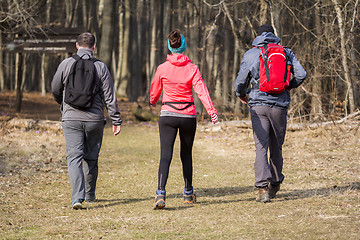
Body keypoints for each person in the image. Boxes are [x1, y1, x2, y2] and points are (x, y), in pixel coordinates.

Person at [234, 24, 306, 202]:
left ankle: (262, 189)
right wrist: (287, 85)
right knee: (277, 145)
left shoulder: (251, 53)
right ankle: (275, 183)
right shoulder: (286, 52)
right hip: (279, 105)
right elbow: (302, 74)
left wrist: (242, 95)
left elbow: (240, 82)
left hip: (258, 104)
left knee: (261, 146)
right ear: (274, 36)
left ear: (257, 36)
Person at [51, 32, 122, 209]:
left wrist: (63, 104)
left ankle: (77, 198)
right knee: (91, 157)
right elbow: (109, 97)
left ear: (76, 45)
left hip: (71, 118)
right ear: (93, 46)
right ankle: (90, 195)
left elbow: (55, 88)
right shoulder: (101, 67)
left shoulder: (66, 64)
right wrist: (116, 120)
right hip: (95, 119)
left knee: (74, 157)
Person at [150, 29, 218, 209]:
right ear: (184, 46)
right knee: (186, 154)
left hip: (168, 115)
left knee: (166, 155)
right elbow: (201, 91)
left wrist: (153, 101)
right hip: (188, 116)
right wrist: (211, 111)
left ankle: (160, 194)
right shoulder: (192, 68)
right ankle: (188, 194)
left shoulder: (162, 68)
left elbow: (154, 92)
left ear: (169, 47)